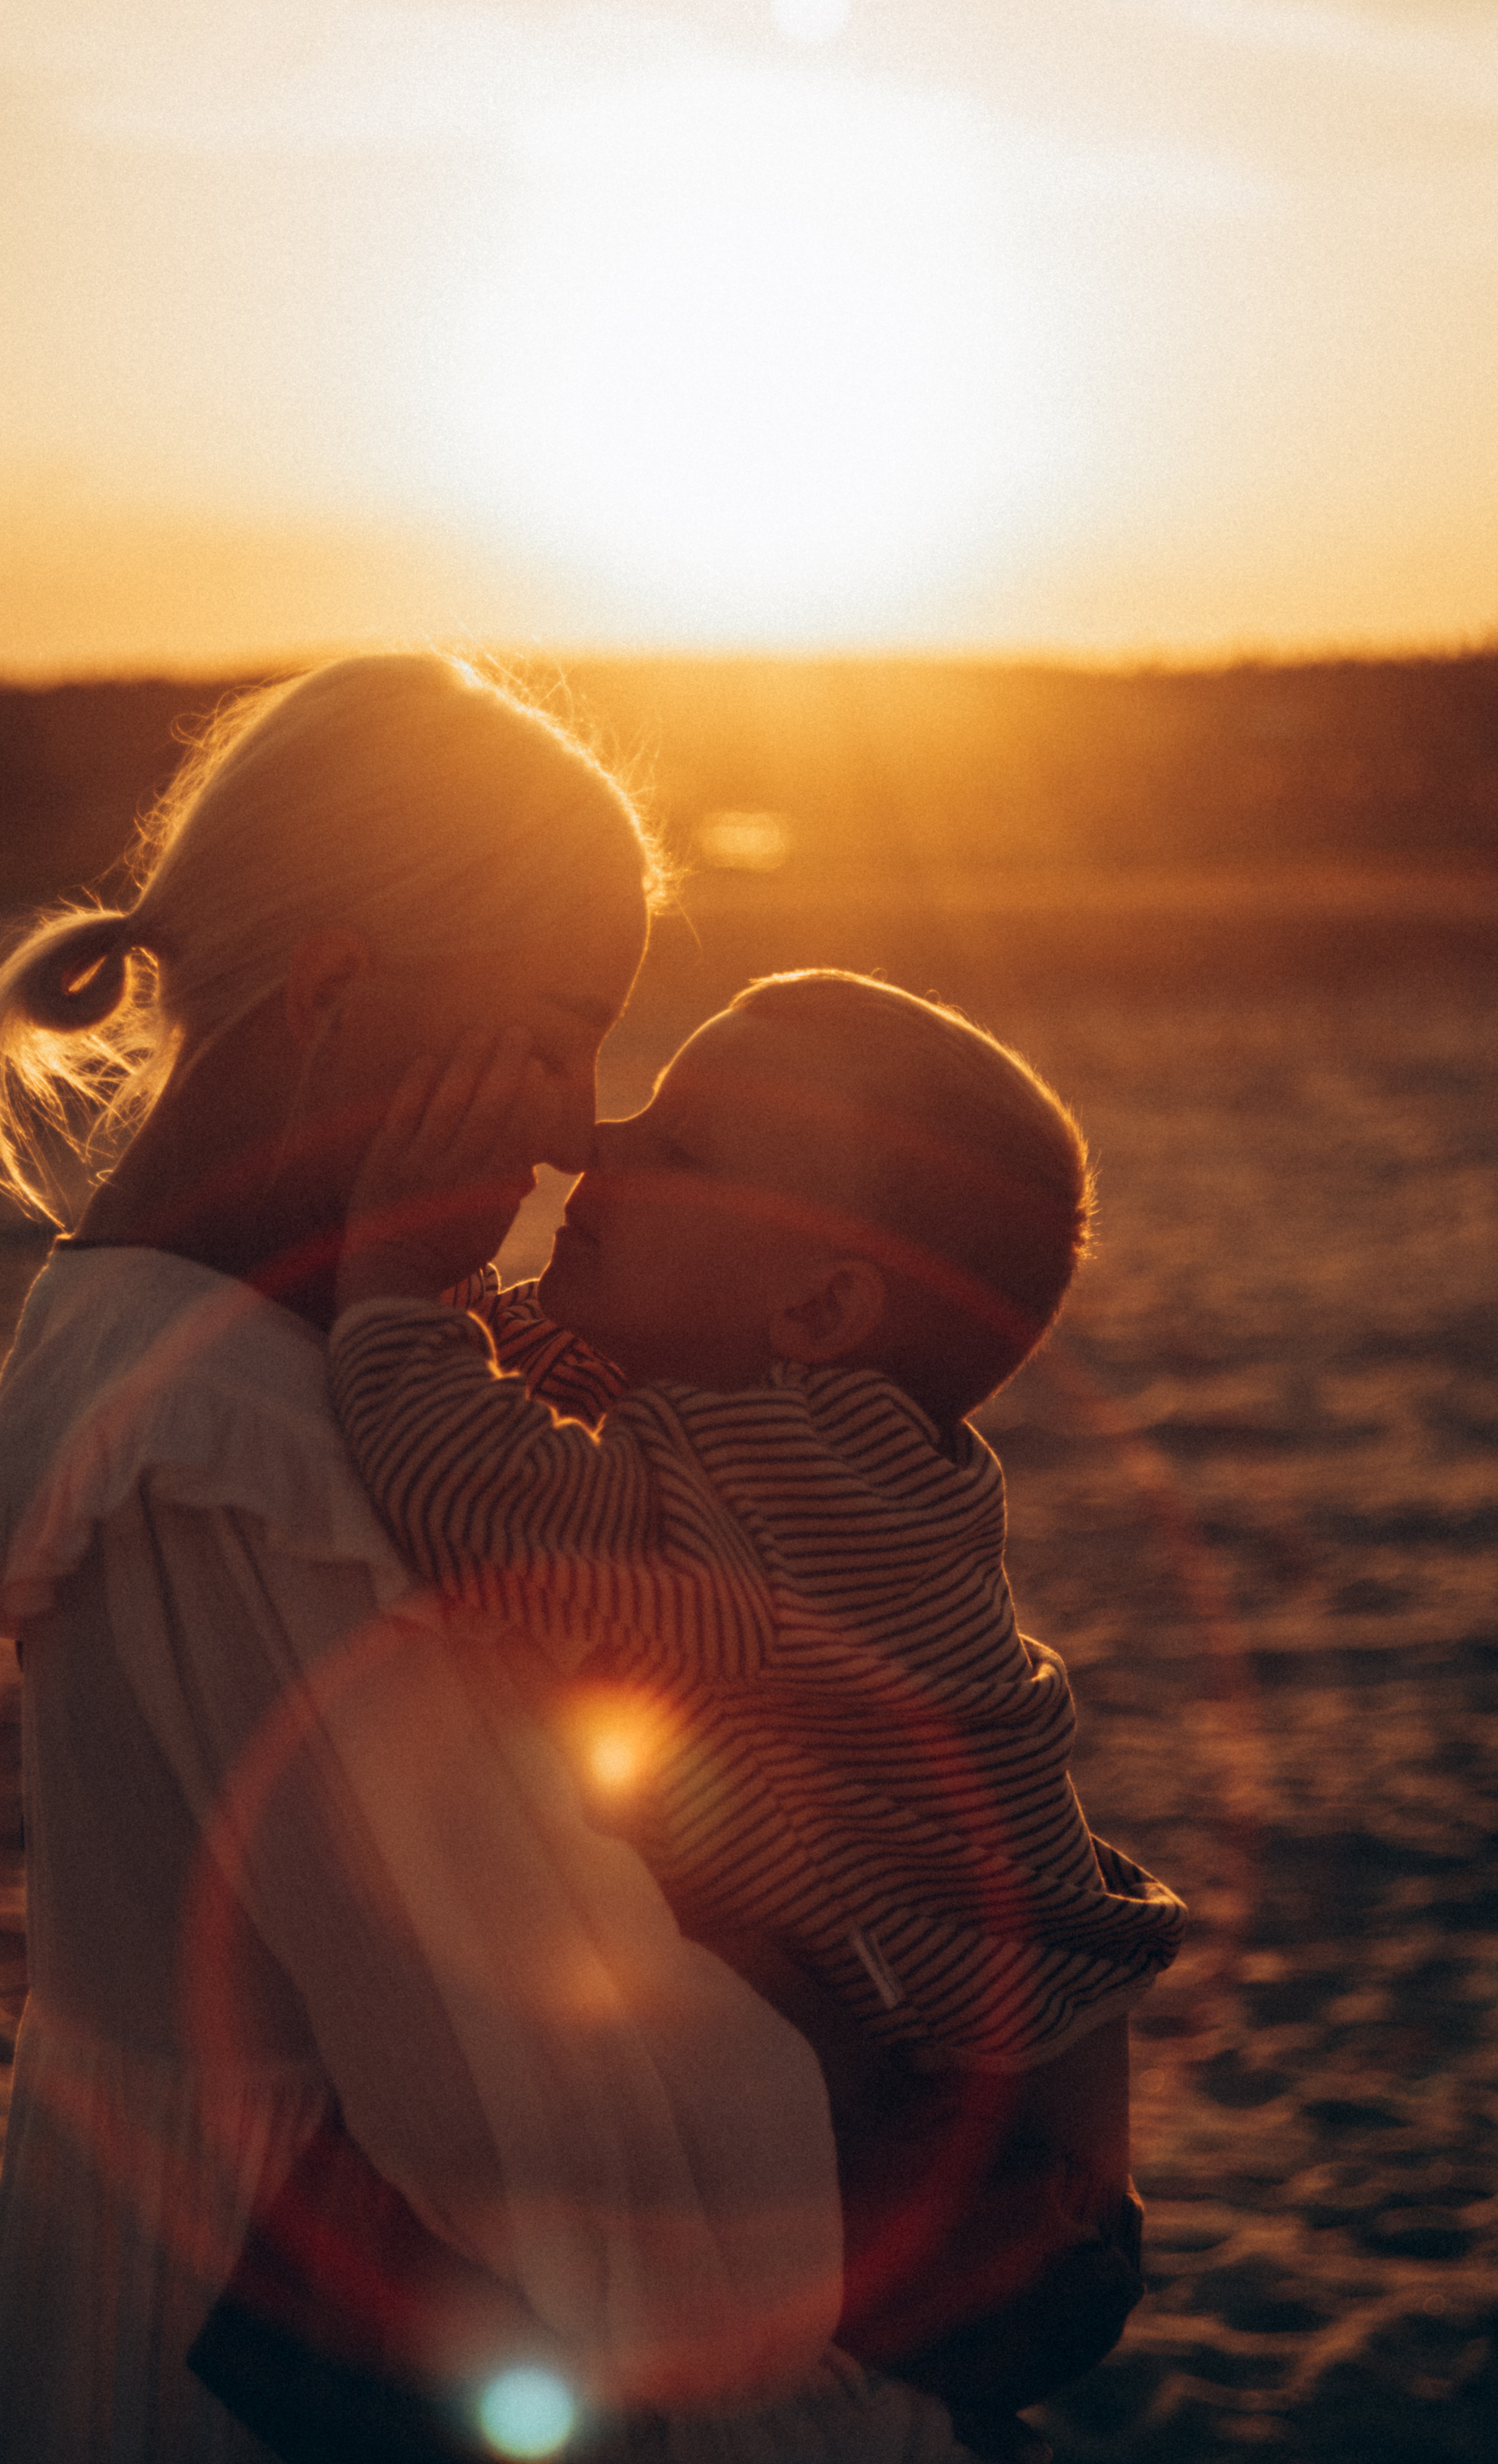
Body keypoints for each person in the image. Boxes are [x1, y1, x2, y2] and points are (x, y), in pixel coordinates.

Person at [0, 657, 970, 2464]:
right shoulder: (216, 1428)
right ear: (333, 993)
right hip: (277, 2330)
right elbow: (496, 2056)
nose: (571, 1121)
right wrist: (863, 2112)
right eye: (558, 1030)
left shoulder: (214, 1344)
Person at [311, 969, 1189, 2445]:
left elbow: (494, 1501)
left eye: (684, 1147)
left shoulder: (819, 1492)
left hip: (979, 2172)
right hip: (954, 2098)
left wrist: (388, 1288)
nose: (602, 1144)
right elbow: (542, 1384)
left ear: (821, 1306)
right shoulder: (760, 1409)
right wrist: (463, 1260)